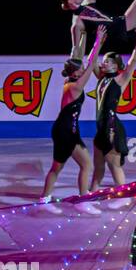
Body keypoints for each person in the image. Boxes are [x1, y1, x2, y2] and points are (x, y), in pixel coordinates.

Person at [40, 27, 106, 211]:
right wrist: (98, 41)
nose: (85, 69)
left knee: (58, 167)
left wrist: (80, 35)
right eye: (82, 68)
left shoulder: (69, 80)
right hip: (66, 131)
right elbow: (92, 61)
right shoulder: (76, 85)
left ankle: (44, 200)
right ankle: (83, 202)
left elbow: (76, 54)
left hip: (67, 130)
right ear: (76, 72)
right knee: (86, 165)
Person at [92, 27, 136, 192]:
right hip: (101, 128)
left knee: (114, 165)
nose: (103, 62)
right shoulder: (102, 78)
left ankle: (124, 197)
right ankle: (90, 194)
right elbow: (91, 61)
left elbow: (133, 61)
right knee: (98, 166)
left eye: (107, 61)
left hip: (111, 127)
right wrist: (98, 41)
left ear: (115, 66)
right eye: (104, 60)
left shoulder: (120, 80)